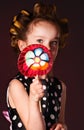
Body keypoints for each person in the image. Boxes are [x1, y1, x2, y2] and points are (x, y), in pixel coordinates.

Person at [5, 2, 69, 130]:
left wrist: (62, 127)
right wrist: (33, 100)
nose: (48, 48)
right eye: (40, 40)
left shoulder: (60, 87)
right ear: (23, 45)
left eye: (54, 42)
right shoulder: (17, 86)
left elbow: (61, 122)